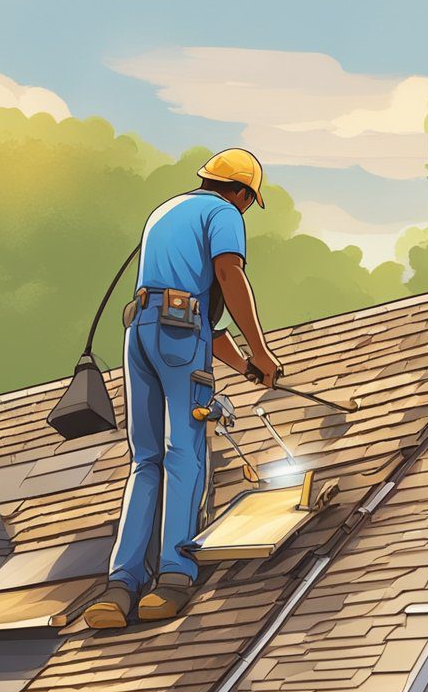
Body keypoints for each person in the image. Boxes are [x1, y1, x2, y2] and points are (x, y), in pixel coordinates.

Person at [83, 149, 281, 629]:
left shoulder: (166, 213)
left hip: (141, 334)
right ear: (241, 193)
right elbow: (228, 276)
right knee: (184, 453)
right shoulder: (223, 213)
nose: (247, 208)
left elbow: (199, 323)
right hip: (178, 334)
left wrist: (244, 365)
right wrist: (261, 350)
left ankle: (120, 585)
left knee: (145, 460)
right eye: (250, 200)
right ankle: (173, 576)